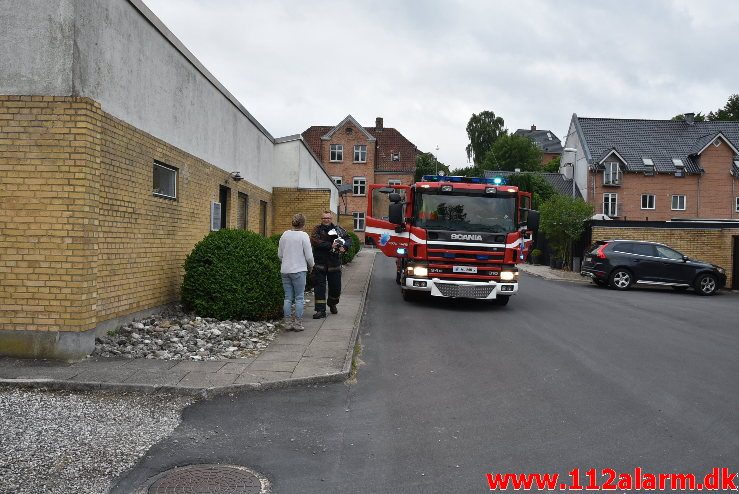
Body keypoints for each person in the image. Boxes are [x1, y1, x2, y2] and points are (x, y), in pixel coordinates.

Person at [310, 210, 351, 319]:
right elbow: (315, 241)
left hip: (334, 264)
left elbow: (348, 239)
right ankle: (320, 310)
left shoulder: (338, 229)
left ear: (331, 219)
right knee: (320, 288)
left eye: (328, 218)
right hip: (320, 264)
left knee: (336, 288)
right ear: (321, 219)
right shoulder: (317, 230)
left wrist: (345, 247)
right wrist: (331, 245)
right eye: (324, 218)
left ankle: (332, 303)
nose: (326, 220)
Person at [278, 213, 314, 331]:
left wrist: (286, 262)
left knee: (288, 297)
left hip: (285, 270)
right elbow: (309, 256)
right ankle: (298, 324)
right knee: (299, 297)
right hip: (299, 270)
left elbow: (280, 254)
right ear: (303, 224)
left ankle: (287, 323)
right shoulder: (303, 236)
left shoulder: (284, 234)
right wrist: (312, 266)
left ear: (292, 223)